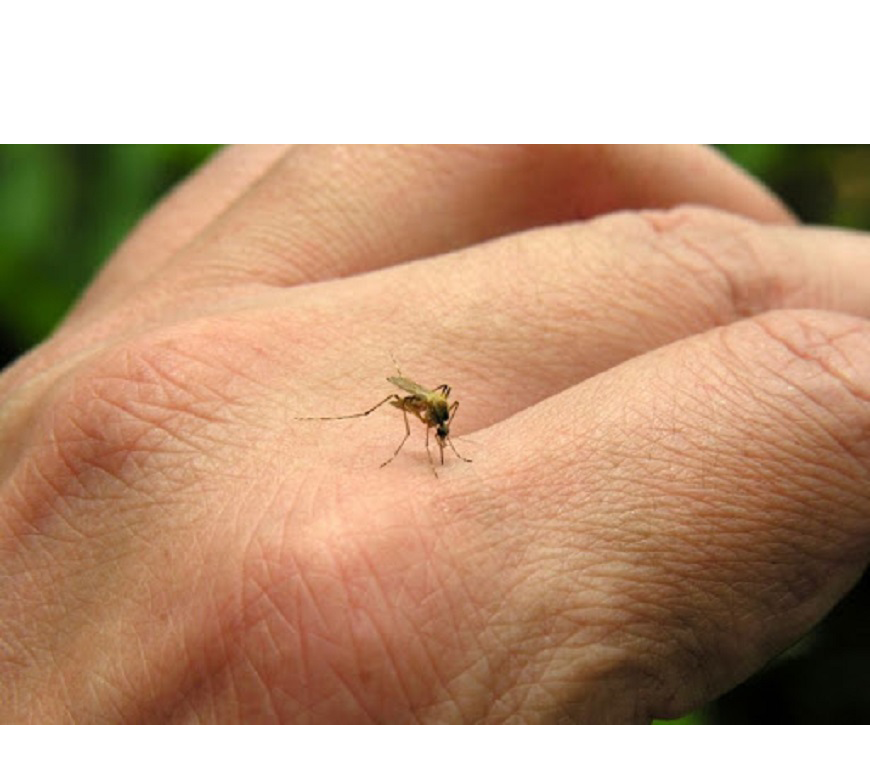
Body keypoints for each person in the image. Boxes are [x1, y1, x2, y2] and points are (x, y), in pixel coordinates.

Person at [1, 143, 868, 724]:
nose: (438, 422)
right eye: (438, 419)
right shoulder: (414, 409)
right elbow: (413, 403)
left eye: (439, 418)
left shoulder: (442, 408)